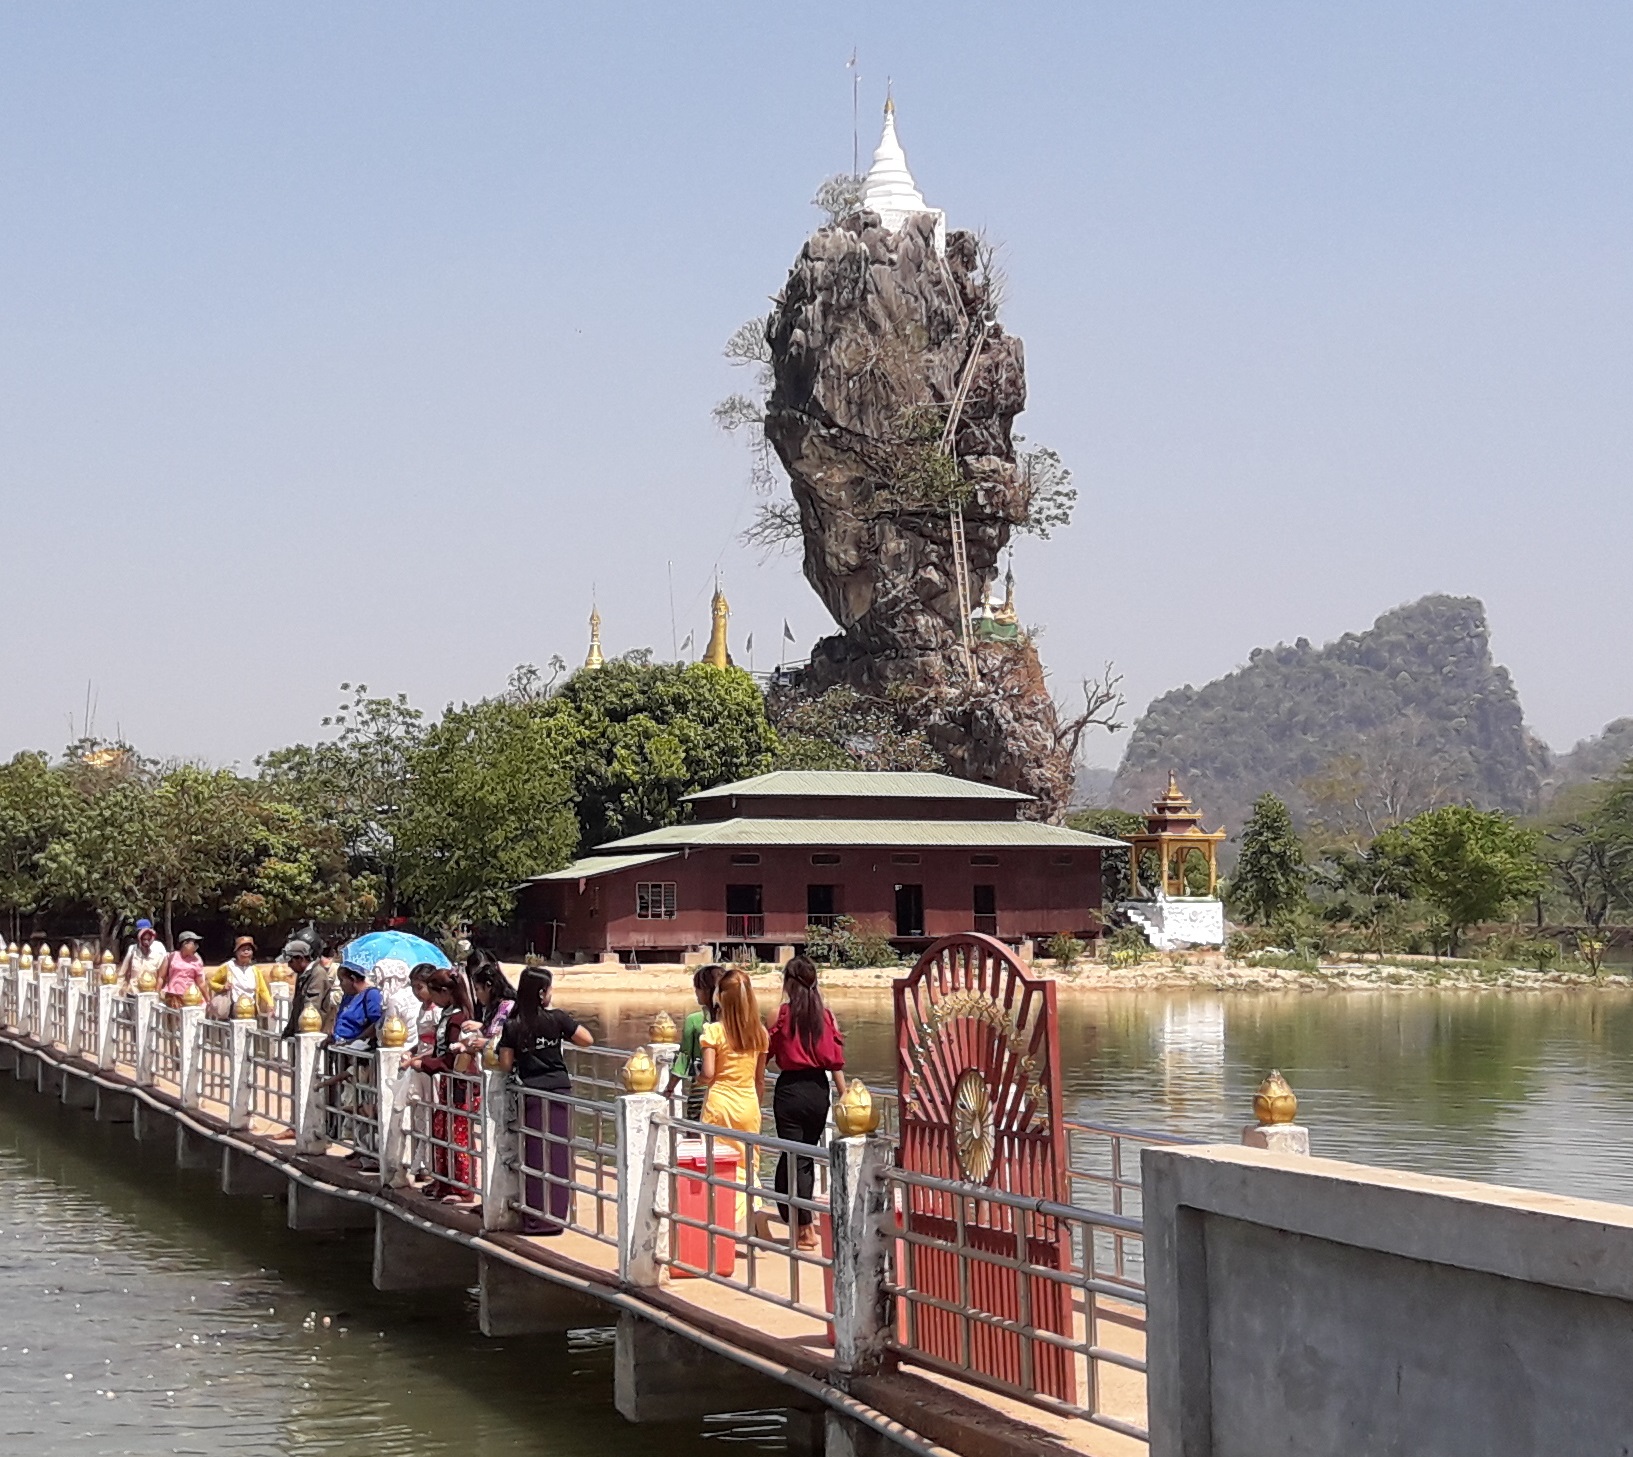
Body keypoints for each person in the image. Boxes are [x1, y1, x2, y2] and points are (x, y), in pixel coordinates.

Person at [497, 966, 593, 1235]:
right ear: (542, 993)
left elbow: (504, 1064)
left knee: (535, 1154)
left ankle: (535, 1218)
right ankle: (556, 1218)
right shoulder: (557, 1019)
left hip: (531, 1092)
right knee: (559, 1154)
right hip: (559, 1090)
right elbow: (587, 1039)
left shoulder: (513, 1024)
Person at [767, 956, 847, 1249]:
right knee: (804, 1157)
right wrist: (845, 1094)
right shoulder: (825, 1016)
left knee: (794, 1157)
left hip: (790, 1088)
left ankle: (804, 1226)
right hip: (818, 1089)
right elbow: (835, 1061)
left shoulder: (780, 1014)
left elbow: (765, 1054)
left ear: (788, 982)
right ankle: (797, 1218)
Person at [699, 967, 768, 1227]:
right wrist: (756, 1104)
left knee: (717, 1163)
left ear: (721, 997)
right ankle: (753, 1212)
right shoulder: (760, 1034)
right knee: (747, 1163)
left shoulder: (714, 1031)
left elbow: (708, 1073)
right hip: (748, 1101)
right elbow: (759, 1079)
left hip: (720, 1101)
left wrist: (699, 1080)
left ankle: (721, 1218)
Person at [404, 968, 477, 1201]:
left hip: (461, 1082)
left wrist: (425, 1064)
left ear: (444, 992)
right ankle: (444, 1181)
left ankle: (463, 1187)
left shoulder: (458, 1018)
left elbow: (451, 1057)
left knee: (458, 1133)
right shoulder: (448, 1013)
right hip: (447, 1080)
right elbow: (440, 1051)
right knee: (440, 1129)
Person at [665, 963, 724, 1121]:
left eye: (697, 988)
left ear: (705, 990)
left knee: (698, 1137)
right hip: (729, 1094)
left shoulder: (695, 1020)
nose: (696, 993)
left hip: (701, 1091)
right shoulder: (736, 1023)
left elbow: (684, 1059)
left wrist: (670, 1087)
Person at [279, 939, 339, 1038]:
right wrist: (289, 1030)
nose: (289, 965)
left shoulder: (317, 974)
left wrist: (303, 1030)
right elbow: (297, 1006)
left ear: (300, 959)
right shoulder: (302, 974)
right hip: (300, 1033)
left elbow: (311, 1006)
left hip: (312, 1034)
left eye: (291, 961)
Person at [207, 937, 273, 1021]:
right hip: (233, 1009)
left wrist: (270, 1004)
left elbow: (263, 990)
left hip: (251, 1009)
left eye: (248, 950)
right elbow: (212, 983)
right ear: (236, 952)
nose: (246, 952)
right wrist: (223, 987)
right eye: (243, 950)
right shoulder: (228, 967)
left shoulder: (254, 970)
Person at [331, 963, 384, 1045]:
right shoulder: (348, 996)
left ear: (353, 979)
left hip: (356, 1049)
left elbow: (377, 1024)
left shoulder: (371, 994)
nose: (340, 984)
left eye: (342, 980)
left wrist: (354, 1041)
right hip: (339, 1047)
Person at [117, 919, 167, 994]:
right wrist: (120, 989)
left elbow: (162, 975)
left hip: (151, 992)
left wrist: (157, 993)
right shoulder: (133, 949)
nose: (146, 941)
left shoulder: (159, 947)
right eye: (141, 933)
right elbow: (123, 972)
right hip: (133, 992)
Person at [161, 932, 210, 1008]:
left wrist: (208, 999)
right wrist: (156, 994)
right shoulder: (171, 956)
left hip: (191, 997)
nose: (196, 946)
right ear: (185, 943)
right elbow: (161, 977)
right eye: (194, 943)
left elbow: (201, 983)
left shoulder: (197, 961)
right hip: (173, 996)